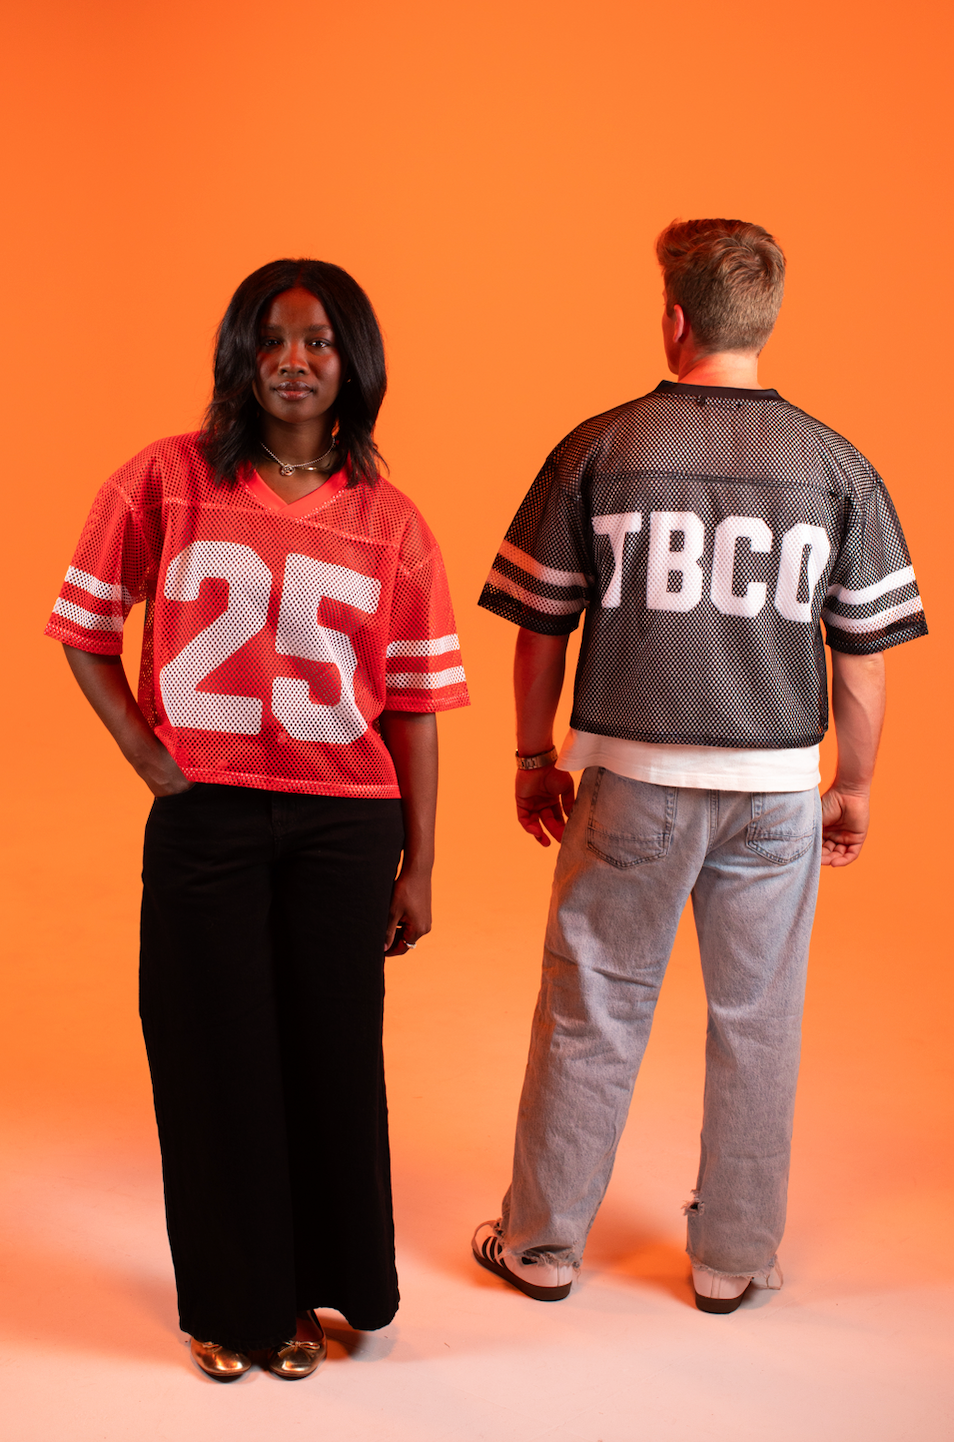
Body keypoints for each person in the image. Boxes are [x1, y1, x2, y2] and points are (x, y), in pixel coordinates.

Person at [472, 219, 926, 1314]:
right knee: (759, 1020)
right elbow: (863, 658)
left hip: (632, 780)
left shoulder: (600, 448)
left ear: (675, 320)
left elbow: (540, 628)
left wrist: (534, 756)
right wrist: (855, 784)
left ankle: (540, 1245)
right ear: (765, 321)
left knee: (592, 1005)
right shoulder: (838, 466)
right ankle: (733, 1259)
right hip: (776, 791)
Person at [45, 259, 469, 1376]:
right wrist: (146, 751)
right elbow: (85, 625)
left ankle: (319, 1291)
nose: (293, 361)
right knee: (211, 1052)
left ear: (354, 362)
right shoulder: (166, 479)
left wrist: (421, 866)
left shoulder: (392, 523)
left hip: (346, 824)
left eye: (318, 341)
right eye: (272, 339)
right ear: (240, 354)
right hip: (209, 817)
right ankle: (236, 1303)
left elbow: (416, 708)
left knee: (330, 1056)